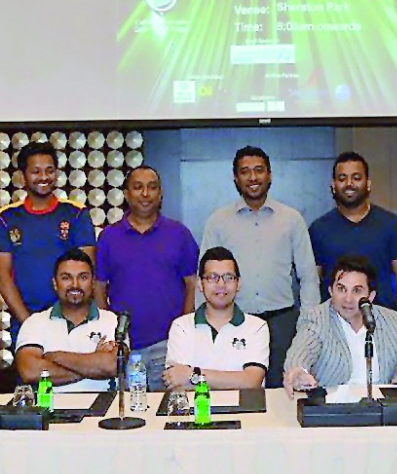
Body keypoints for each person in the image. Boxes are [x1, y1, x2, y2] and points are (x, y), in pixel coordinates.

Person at [202, 145, 320, 388]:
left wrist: (309, 323)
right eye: (245, 171)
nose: (253, 177)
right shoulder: (218, 221)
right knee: (235, 388)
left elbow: (308, 275)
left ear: (270, 175)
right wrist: (202, 323)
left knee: (283, 388)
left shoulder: (291, 219)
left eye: (259, 170)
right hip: (234, 320)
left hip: (283, 321)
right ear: (236, 178)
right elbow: (205, 277)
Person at [95, 165, 198, 390]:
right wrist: (111, 332)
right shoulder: (109, 237)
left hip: (167, 344)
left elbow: (192, 285)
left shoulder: (179, 234)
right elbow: (99, 287)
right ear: (126, 194)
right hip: (125, 346)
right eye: (138, 187)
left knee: (167, 414)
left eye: (152, 188)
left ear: (160, 194)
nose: (145, 194)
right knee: (128, 413)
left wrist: (184, 331)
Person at [283, 255, 397, 397]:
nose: (348, 299)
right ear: (330, 291)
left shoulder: (389, 320)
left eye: (357, 291)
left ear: (371, 296)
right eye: (341, 289)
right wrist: (298, 372)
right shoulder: (317, 319)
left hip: (382, 412)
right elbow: (301, 352)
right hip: (334, 411)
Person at [0, 142, 96, 328]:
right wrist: (28, 324)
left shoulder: (76, 214)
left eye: (49, 170)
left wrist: (71, 321)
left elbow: (87, 272)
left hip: (73, 321)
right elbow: (2, 276)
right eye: (36, 171)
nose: (44, 177)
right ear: (23, 176)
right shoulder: (5, 218)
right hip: (25, 320)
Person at [308, 151, 397, 325]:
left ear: (368, 184)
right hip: (334, 327)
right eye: (342, 178)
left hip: (382, 323)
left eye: (356, 177)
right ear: (333, 185)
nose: (349, 184)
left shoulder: (390, 224)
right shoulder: (319, 228)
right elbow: (312, 282)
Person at [162, 247, 269, 391]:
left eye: (228, 277)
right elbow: (177, 382)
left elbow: (251, 381)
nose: (221, 285)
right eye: (212, 277)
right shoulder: (181, 326)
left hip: (245, 412)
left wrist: (192, 375)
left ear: (238, 284)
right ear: (200, 284)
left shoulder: (257, 327)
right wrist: (234, 379)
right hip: (195, 411)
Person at [16, 249, 119, 392]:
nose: (75, 284)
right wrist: (93, 364)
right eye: (66, 278)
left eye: (83, 277)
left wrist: (54, 356)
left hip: (103, 409)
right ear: (54, 283)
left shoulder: (112, 320)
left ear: (93, 283)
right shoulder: (34, 323)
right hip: (50, 409)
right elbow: (30, 371)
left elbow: (111, 366)